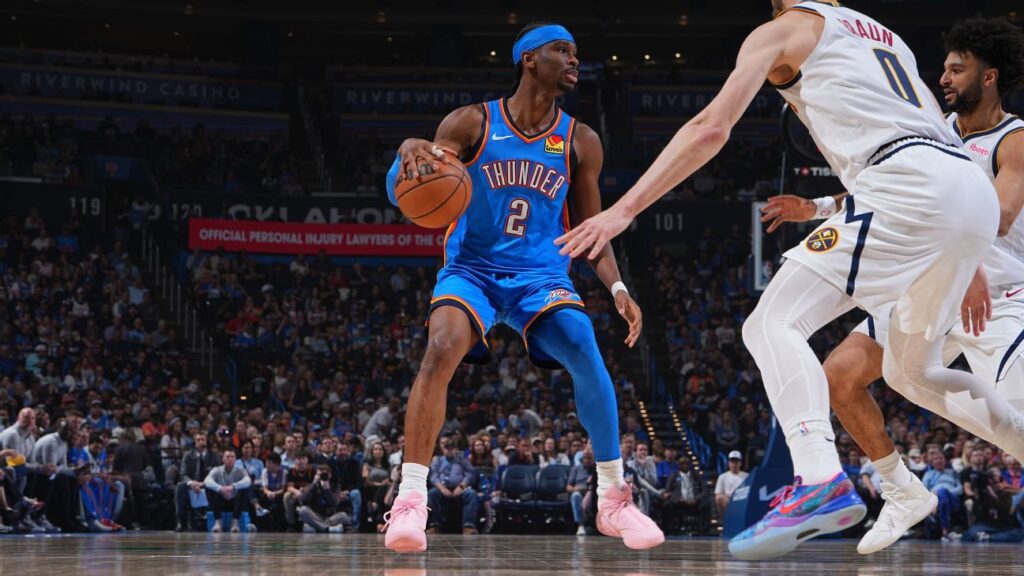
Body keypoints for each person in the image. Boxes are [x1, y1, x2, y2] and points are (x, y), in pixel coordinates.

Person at [556, 1, 1024, 561]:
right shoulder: (886, 37)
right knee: (909, 370)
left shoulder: (785, 29)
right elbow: (939, 157)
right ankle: (902, 488)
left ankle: (819, 478)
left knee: (771, 323)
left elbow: (710, 128)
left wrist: (623, 211)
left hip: (915, 196)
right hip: (959, 194)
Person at [381, 20, 658, 554]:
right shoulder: (471, 122)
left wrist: (619, 289)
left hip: (541, 276)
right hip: (473, 269)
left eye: (577, 53)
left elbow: (591, 230)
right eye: (563, 51)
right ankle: (411, 499)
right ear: (529, 59)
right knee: (440, 348)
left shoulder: (580, 140)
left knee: (584, 347)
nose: (575, 61)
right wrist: (408, 150)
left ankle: (613, 499)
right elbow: (416, 183)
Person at [756, 16, 1024, 554]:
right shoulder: (935, 129)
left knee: (1016, 418)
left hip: (998, 294)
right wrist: (819, 207)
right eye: (943, 69)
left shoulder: (1014, 138)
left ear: (990, 76)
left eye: (957, 69)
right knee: (842, 375)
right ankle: (902, 491)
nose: (944, 78)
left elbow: (997, 216)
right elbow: (891, 195)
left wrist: (966, 253)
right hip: (931, 276)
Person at [424, 438, 480, 535]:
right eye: (447, 448)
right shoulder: (438, 460)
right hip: (442, 489)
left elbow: (470, 474)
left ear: (456, 449)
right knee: (432, 493)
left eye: (452, 448)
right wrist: (442, 488)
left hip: (459, 489)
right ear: (443, 449)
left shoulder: (462, 459)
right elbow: (433, 476)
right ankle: (435, 526)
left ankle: (468, 526)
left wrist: (462, 486)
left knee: (471, 494)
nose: (449, 450)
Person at [175, 431, 220, 532]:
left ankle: (213, 520)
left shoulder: (214, 456)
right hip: (192, 485)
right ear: (195, 442)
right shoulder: (187, 455)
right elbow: (183, 474)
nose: (201, 442)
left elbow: (216, 474)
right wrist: (192, 483)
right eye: (198, 440)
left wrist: (203, 483)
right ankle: (180, 521)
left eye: (203, 440)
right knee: (180, 486)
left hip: (207, 485)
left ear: (206, 441)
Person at [297, 465, 349, 533]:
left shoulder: (336, 486)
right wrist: (313, 484)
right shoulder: (312, 486)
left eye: (324, 475)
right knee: (303, 510)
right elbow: (304, 500)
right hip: (315, 515)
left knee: (343, 516)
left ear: (329, 475)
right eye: (319, 475)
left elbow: (334, 504)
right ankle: (327, 529)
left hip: (330, 516)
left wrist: (327, 490)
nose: (321, 477)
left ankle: (316, 527)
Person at [567, 449, 594, 536]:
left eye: (590, 458)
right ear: (582, 459)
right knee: (575, 496)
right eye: (585, 458)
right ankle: (581, 525)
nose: (587, 460)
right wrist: (576, 489)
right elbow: (568, 487)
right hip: (579, 492)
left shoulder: (597, 469)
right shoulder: (576, 468)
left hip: (593, 492)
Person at [715, 451, 749, 516]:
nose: (734, 465)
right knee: (719, 497)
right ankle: (726, 516)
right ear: (729, 463)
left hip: (742, 500)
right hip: (729, 500)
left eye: (736, 462)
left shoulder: (747, 476)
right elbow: (718, 493)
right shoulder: (722, 477)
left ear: (740, 463)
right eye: (732, 462)